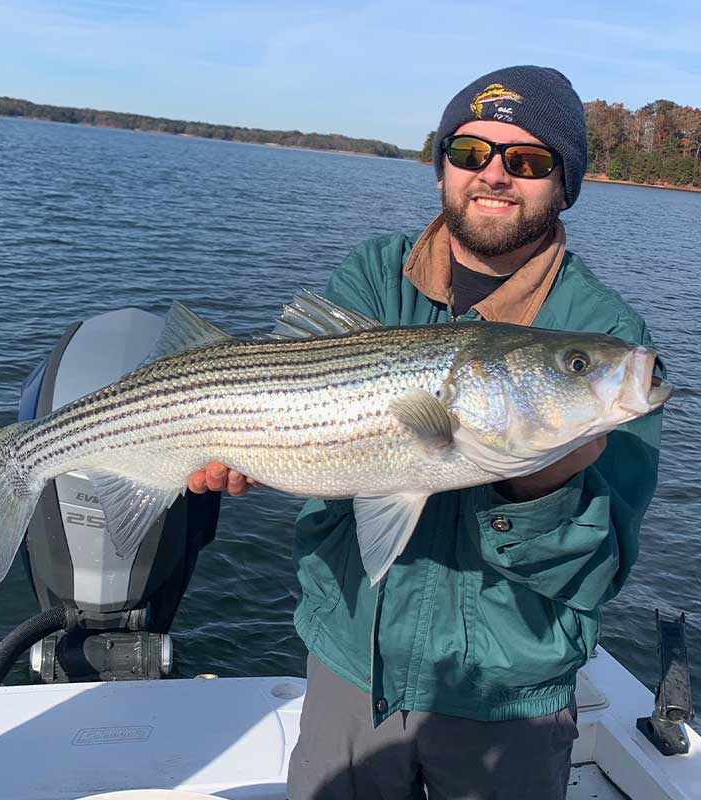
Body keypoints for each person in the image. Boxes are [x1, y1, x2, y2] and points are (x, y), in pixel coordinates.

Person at [188, 65, 665, 800]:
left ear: (565, 183)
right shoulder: (375, 273)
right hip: (351, 665)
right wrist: (251, 448)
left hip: (507, 701)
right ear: (443, 162)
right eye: (471, 151)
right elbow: (325, 449)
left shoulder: (607, 336)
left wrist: (542, 487)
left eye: (529, 160)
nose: (495, 175)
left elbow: (599, 574)